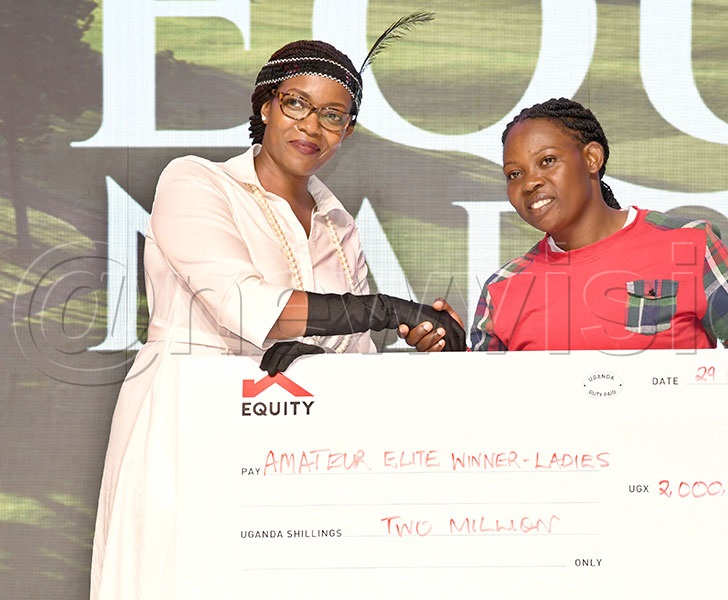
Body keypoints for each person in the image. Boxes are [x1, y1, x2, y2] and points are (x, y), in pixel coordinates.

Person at [90, 14, 465, 599]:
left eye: (333, 115)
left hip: (292, 444)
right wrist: (391, 309)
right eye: (296, 104)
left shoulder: (340, 224)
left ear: (347, 130)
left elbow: (355, 356)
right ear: (265, 105)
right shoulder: (197, 182)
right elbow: (243, 306)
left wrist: (426, 337)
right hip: (186, 423)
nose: (311, 126)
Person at [402, 97, 728, 369]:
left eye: (547, 161)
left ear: (592, 158)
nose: (530, 183)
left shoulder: (690, 243)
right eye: (514, 174)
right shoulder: (503, 288)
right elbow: (490, 404)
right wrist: (452, 356)